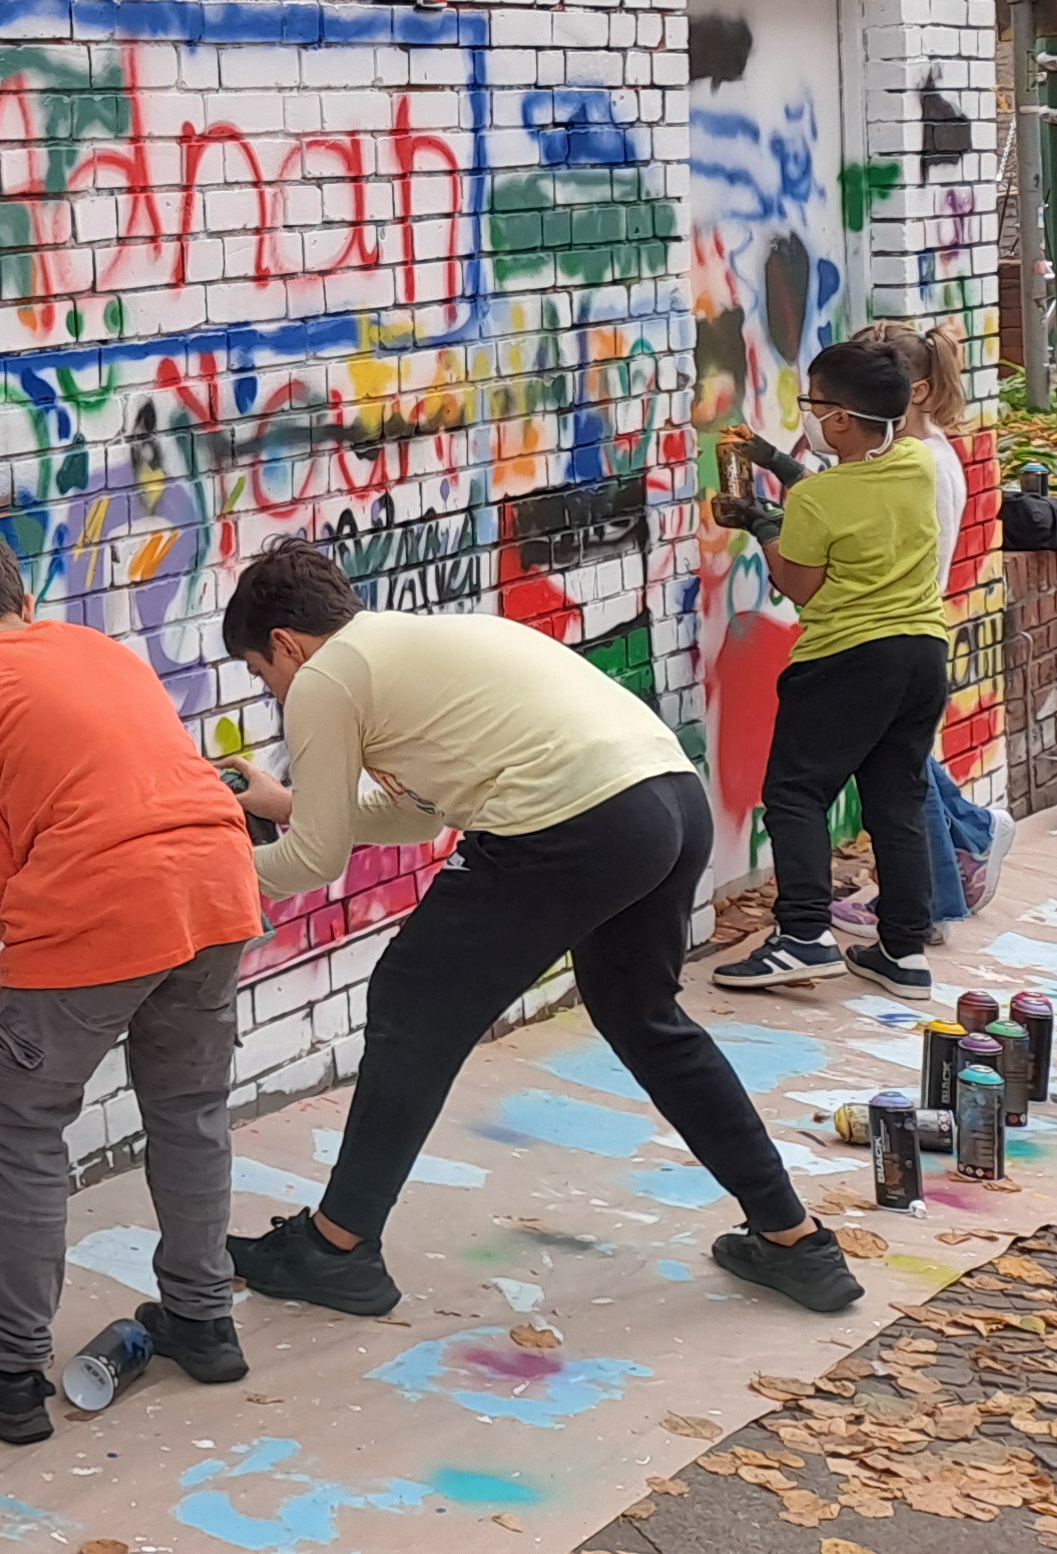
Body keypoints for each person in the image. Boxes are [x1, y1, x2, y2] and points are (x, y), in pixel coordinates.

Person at [218, 537, 863, 1322]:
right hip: (664, 801)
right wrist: (286, 805)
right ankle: (795, 1241)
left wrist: (209, 868)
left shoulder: (325, 676)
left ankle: (339, 1249)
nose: (274, 691)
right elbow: (419, 812)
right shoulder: (423, 642)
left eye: (263, 675)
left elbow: (314, 862)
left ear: (285, 643)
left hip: (569, 824)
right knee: (645, 1019)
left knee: (410, 1000)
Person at [0, 518, 265, 1445]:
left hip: (102, 909)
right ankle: (203, 1318)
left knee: (23, 1127)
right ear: (21, 601)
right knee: (189, 1110)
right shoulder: (97, 648)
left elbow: (1, 883)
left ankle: (9, 1368)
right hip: (215, 885)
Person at [708, 336, 954, 999]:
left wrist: (760, 527)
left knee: (797, 793)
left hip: (849, 658)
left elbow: (803, 585)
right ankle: (903, 951)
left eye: (812, 403)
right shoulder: (913, 463)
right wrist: (773, 464)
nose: (808, 413)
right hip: (923, 654)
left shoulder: (820, 503)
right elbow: (842, 493)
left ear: (841, 419)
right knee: (894, 800)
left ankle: (803, 937)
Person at [839, 318, 1005, 929]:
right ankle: (973, 834)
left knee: (902, 776)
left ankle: (931, 899)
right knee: (906, 761)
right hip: (911, 633)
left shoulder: (916, 464)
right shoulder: (925, 452)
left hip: (894, 632)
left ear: (910, 392)